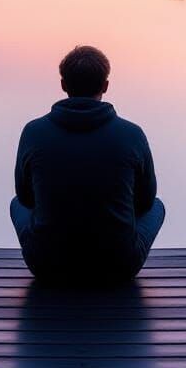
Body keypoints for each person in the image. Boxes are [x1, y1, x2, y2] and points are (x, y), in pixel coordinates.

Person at [10, 45, 165, 283]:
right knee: (156, 206)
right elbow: (144, 201)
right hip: (118, 265)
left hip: (47, 264)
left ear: (63, 85)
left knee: (16, 204)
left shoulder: (33, 132)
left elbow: (26, 198)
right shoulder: (132, 134)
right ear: (105, 86)